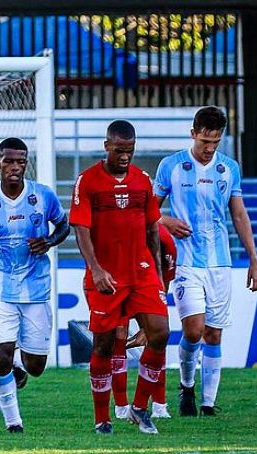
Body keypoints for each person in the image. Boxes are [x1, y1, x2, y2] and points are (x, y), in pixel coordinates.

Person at [154, 106, 257, 416]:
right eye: (205, 141)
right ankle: (186, 386)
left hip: (220, 262)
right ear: (193, 134)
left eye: (215, 142)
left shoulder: (229, 169)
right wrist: (166, 221)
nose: (209, 149)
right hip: (185, 261)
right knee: (193, 330)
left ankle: (206, 403)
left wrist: (254, 261)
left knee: (214, 333)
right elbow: (147, 210)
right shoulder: (172, 166)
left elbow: (239, 213)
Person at [0, 137, 69, 433]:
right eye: (9, 161)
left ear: (26, 163)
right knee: (1, 352)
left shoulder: (43, 196)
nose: (15, 167)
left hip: (36, 285)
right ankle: (13, 423)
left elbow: (63, 225)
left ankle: (20, 364)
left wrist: (48, 242)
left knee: (36, 367)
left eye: (20, 161)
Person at [70, 120, 170, 435]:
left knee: (160, 333)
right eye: (119, 150)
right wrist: (96, 269)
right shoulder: (87, 181)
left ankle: (141, 408)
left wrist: (156, 270)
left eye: (130, 150)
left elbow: (153, 227)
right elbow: (81, 229)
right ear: (107, 146)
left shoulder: (142, 180)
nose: (125, 156)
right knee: (102, 345)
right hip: (107, 278)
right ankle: (102, 419)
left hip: (141, 273)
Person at [112, 222, 177, 420]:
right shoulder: (118, 234)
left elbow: (163, 283)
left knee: (158, 336)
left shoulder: (166, 243)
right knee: (119, 335)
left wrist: (147, 326)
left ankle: (159, 405)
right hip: (118, 278)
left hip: (148, 284)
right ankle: (121, 407)